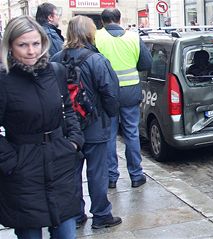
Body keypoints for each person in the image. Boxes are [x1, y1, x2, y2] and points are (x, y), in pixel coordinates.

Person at [0, 15, 84, 238]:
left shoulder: (55, 71)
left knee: (67, 232)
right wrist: (10, 160)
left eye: (35, 43)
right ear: (10, 45)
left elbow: (68, 108)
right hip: (23, 169)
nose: (31, 51)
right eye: (23, 45)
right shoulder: (4, 80)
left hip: (59, 161)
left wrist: (74, 141)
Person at [51, 15, 122, 230]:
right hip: (94, 125)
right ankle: (101, 214)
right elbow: (110, 93)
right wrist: (110, 116)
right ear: (90, 33)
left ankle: (75, 214)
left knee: (71, 173)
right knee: (97, 172)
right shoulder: (96, 60)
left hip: (67, 128)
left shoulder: (56, 59)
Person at [95, 8, 152, 189]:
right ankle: (136, 175)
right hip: (130, 91)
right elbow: (146, 63)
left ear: (102, 21)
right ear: (119, 19)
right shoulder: (133, 37)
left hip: (106, 93)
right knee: (132, 133)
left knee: (109, 135)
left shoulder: (97, 37)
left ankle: (111, 177)